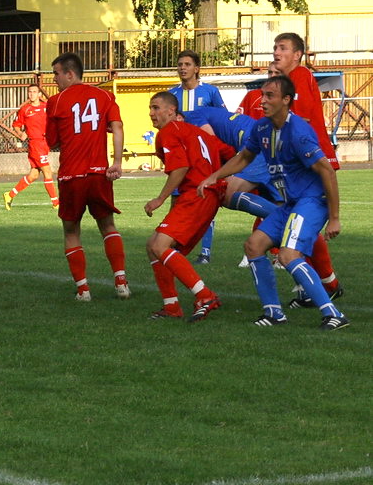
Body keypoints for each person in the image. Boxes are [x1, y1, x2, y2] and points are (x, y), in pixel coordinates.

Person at [197, 76, 349, 330]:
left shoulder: (298, 131)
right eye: (263, 94)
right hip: (291, 203)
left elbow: (327, 170)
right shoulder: (263, 128)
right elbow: (245, 156)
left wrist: (334, 217)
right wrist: (215, 176)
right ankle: (274, 313)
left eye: (270, 96)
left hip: (311, 201)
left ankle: (333, 313)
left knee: (289, 255)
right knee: (254, 246)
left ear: (286, 100)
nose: (263, 100)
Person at [45, 52, 129, 302]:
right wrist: (115, 162)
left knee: (71, 231)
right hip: (99, 173)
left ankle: (83, 290)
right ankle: (121, 282)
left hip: (72, 175)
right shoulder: (104, 96)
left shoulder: (57, 101)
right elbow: (118, 126)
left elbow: (51, 141)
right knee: (107, 225)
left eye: (57, 74)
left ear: (70, 74)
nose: (55, 79)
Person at [144, 92, 234, 321]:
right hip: (210, 195)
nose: (152, 113)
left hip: (196, 194)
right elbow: (231, 153)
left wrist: (160, 199)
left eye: (156, 108)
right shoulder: (198, 132)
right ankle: (171, 306)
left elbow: (180, 168)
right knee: (153, 244)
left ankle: (205, 295)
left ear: (171, 111)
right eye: (151, 108)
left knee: (161, 245)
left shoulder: (168, 132)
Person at [167, 50, 226, 265]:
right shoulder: (171, 94)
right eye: (180, 64)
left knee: (205, 200)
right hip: (180, 156)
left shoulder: (210, 92)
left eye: (187, 64)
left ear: (197, 68)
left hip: (203, 157)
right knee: (176, 199)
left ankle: (205, 251)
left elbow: (222, 119)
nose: (183, 68)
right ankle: (172, 247)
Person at [271, 32, 340, 170]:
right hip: (303, 153)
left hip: (310, 154)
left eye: (283, 48)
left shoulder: (300, 74)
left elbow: (301, 119)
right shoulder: (288, 80)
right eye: (275, 48)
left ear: (297, 55)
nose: (276, 53)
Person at [2, 84, 58, 210]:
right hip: (35, 144)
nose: (31, 94)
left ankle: (9, 195)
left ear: (39, 94)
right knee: (48, 172)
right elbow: (16, 124)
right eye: (29, 92)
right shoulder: (25, 110)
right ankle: (56, 203)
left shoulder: (46, 107)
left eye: (34, 91)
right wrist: (20, 133)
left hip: (45, 143)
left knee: (33, 175)